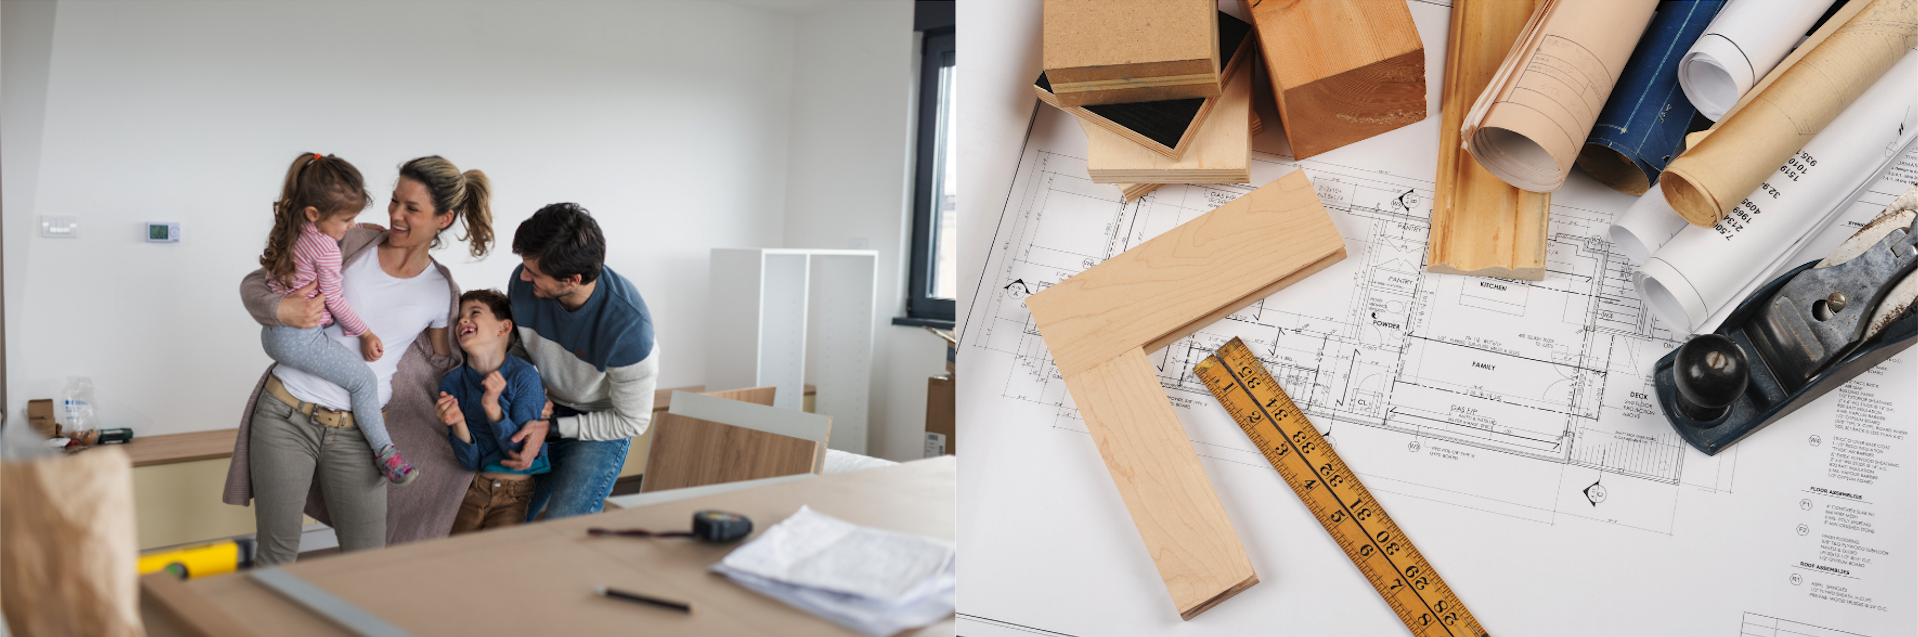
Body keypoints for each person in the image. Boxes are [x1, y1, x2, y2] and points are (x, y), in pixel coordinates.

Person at [225, 155, 494, 564]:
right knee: (276, 553)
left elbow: (443, 366)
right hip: (285, 413)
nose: (395, 215)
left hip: (359, 433)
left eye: (411, 208)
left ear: (443, 219)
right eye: (394, 200)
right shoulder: (349, 242)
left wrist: (499, 373)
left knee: (367, 561)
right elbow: (254, 284)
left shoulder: (441, 291)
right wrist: (283, 310)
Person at [254, 152, 417, 487]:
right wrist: (366, 333)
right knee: (364, 382)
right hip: (297, 337)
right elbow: (336, 301)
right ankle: (386, 453)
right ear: (315, 213)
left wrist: (353, 230)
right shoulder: (326, 249)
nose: (351, 226)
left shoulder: (292, 223)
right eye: (346, 220)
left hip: (274, 331)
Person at [499, 203, 658, 521]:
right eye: (524, 266)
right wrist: (523, 395)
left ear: (572, 279)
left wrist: (553, 429)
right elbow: (520, 351)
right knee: (504, 516)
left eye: (535, 272)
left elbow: (633, 421)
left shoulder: (628, 329)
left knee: (564, 526)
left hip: (603, 421)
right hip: (547, 408)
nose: (524, 276)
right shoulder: (525, 283)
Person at [435, 289, 549, 533]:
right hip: (472, 488)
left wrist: (492, 408)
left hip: (514, 494)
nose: (463, 320)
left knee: (497, 563)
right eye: (459, 318)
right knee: (455, 561)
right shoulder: (452, 383)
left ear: (504, 328)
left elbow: (520, 453)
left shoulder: (524, 376)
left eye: (474, 312)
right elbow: (470, 461)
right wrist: (458, 424)